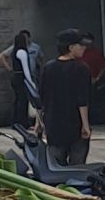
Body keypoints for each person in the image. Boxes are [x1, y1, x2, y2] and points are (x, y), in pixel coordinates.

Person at [37, 30, 92, 168]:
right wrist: (85, 125)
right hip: (75, 124)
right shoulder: (81, 68)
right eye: (80, 45)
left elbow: (41, 98)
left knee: (56, 166)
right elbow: (82, 99)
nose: (83, 48)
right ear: (71, 47)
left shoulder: (48, 68)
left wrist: (38, 121)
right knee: (77, 167)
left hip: (53, 124)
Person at [0, 29, 39, 129]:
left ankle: (16, 122)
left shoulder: (15, 51)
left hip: (15, 77)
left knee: (18, 100)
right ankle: (23, 122)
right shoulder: (22, 52)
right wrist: (30, 82)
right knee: (23, 100)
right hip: (22, 77)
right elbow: (26, 69)